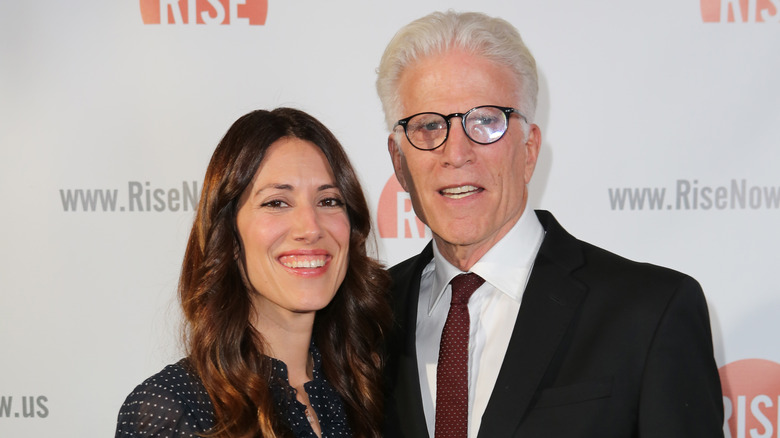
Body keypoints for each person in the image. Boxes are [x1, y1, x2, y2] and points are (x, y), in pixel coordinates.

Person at [376, 10, 724, 438]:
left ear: (530, 149)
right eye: (429, 126)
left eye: (485, 121)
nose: (456, 152)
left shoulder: (650, 312)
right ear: (399, 162)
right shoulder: (365, 318)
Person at [115, 108, 390, 438]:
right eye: (277, 202)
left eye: (329, 200)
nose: (311, 228)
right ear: (229, 235)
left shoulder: (366, 389)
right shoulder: (174, 408)